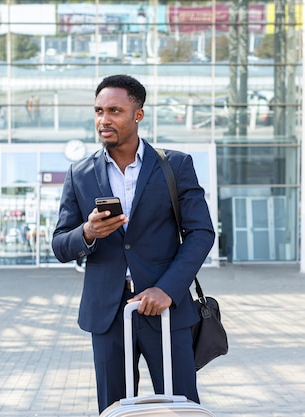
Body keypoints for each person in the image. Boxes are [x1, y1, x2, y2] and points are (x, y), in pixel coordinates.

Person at [51, 74, 215, 414]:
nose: (104, 120)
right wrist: (88, 232)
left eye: (114, 110)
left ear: (137, 115)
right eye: (98, 111)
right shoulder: (79, 173)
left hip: (165, 308)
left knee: (181, 407)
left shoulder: (175, 165)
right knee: (114, 410)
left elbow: (201, 233)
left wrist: (167, 289)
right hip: (107, 315)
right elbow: (60, 245)